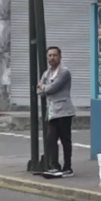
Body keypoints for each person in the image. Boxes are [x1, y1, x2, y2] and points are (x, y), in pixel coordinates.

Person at [38, 45, 75, 178]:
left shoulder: (64, 72)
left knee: (65, 140)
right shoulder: (46, 73)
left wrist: (43, 87)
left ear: (60, 57)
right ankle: (55, 166)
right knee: (51, 139)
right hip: (53, 112)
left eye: (55, 55)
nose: (52, 58)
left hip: (64, 111)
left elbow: (51, 89)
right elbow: (39, 91)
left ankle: (68, 167)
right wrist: (44, 88)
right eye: (50, 55)